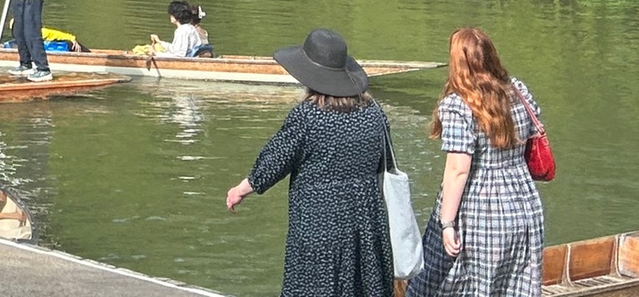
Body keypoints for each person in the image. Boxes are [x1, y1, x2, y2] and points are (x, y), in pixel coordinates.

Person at [225, 28, 396, 297]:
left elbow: (274, 161)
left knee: (316, 287)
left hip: (320, 222)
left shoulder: (307, 117)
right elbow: (385, 162)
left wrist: (241, 189)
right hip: (367, 222)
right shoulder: (374, 113)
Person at [407, 28, 546, 297]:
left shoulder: (457, 105)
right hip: (524, 203)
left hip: (480, 206)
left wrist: (447, 224)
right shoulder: (518, 90)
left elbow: (459, 169)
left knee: (443, 283)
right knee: (513, 286)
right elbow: (530, 138)